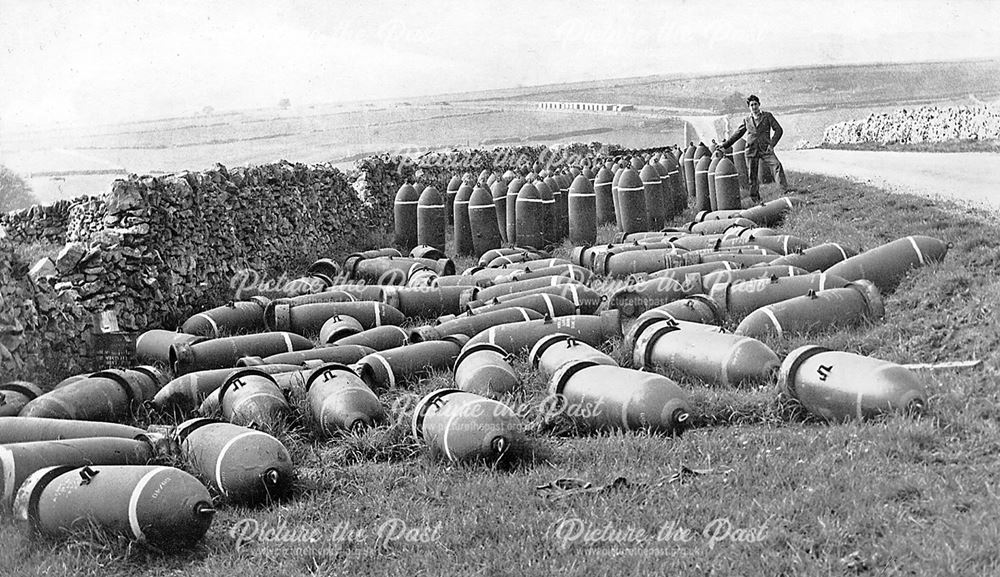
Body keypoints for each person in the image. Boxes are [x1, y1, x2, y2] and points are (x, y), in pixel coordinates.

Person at [720, 94, 791, 202]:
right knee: (752, 176)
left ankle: (784, 191)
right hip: (751, 150)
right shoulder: (747, 120)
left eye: (755, 104)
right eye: (751, 105)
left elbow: (779, 130)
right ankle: (755, 199)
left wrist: (771, 144)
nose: (754, 107)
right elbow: (738, 134)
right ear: (749, 107)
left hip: (765, 149)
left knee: (777, 165)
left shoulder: (767, 116)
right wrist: (725, 145)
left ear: (759, 105)